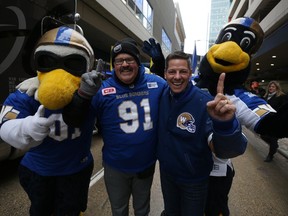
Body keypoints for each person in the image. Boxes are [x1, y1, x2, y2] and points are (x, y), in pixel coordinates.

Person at [0, 26, 99, 216]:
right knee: (40, 210)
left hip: (76, 168)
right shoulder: (27, 93)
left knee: (71, 210)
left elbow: (123, 92)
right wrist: (25, 127)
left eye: (73, 63)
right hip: (39, 170)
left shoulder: (92, 91)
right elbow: (5, 125)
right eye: (48, 61)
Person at [64, 37, 167, 216]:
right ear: (114, 65)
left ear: (138, 62)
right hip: (115, 166)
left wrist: (159, 67)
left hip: (146, 163)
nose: (124, 65)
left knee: (142, 209)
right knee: (119, 210)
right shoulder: (102, 89)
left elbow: (178, 96)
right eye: (119, 61)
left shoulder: (157, 84)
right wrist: (82, 95)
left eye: (129, 60)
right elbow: (74, 120)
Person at [157, 51, 247, 216]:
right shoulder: (162, 95)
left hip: (194, 181)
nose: (177, 76)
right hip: (167, 176)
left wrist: (224, 125)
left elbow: (224, 150)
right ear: (165, 74)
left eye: (183, 71)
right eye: (172, 72)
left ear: (190, 73)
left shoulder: (205, 101)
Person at [260, 80, 287, 162]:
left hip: (276, 121)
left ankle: (270, 155)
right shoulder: (266, 96)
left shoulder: (281, 96)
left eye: (273, 87)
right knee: (263, 135)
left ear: (277, 88)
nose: (271, 88)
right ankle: (274, 145)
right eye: (270, 86)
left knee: (272, 138)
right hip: (267, 120)